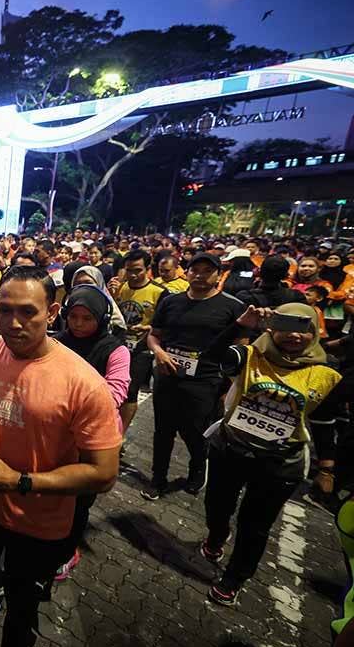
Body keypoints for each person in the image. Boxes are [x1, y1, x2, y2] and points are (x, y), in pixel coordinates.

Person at [0, 266, 122, 647]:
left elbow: (104, 473)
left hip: (41, 524)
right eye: (5, 310)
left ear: (52, 312)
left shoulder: (84, 383)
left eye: (28, 311)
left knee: (22, 608)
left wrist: (19, 481)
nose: (14, 323)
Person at [201, 304, 340, 605]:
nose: (294, 335)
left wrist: (326, 468)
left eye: (303, 328)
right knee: (216, 507)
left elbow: (325, 422)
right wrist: (240, 326)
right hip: (231, 450)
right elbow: (210, 356)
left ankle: (235, 577)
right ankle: (217, 535)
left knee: (255, 526)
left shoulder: (325, 372)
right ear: (271, 328)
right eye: (286, 326)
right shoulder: (249, 355)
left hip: (280, 464)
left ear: (315, 333)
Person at [142, 252, 245, 500]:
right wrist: (159, 352)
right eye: (195, 270)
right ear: (186, 273)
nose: (200, 275)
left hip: (205, 381)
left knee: (196, 432)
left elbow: (241, 348)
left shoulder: (232, 306)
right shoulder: (170, 301)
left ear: (219, 275)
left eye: (207, 271)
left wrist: (230, 386)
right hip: (167, 376)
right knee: (163, 431)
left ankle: (198, 469)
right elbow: (154, 335)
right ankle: (158, 478)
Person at [54, 285, 131, 580]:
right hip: (57, 432)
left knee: (79, 501)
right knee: (53, 494)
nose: (78, 324)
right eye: (73, 317)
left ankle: (67, 551)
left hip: (92, 438)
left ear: (102, 318)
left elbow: (115, 394)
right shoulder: (57, 342)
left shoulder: (115, 350)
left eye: (87, 318)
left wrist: (63, 402)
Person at [109, 250, 168, 436]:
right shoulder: (121, 287)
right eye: (129, 270)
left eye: (137, 270)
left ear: (148, 269)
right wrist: (111, 294)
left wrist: (148, 328)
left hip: (141, 350)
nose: (133, 275)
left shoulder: (159, 292)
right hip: (117, 346)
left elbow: (165, 324)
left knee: (131, 392)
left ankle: (120, 434)